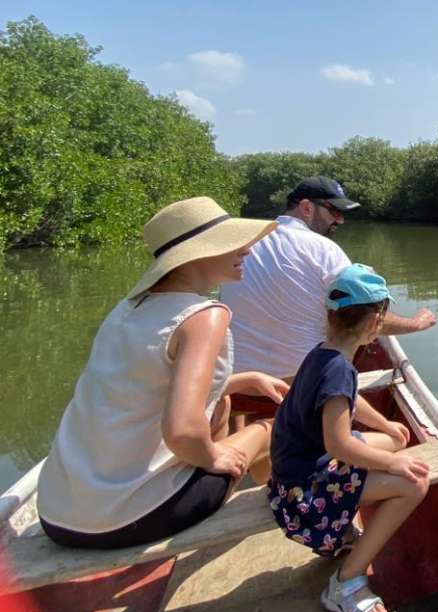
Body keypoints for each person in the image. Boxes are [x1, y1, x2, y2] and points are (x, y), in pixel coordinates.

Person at [36, 197, 288, 549]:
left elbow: (140, 387)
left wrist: (243, 380)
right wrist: (215, 458)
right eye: (232, 242)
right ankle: (275, 517)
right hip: (126, 519)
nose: (246, 250)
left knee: (224, 404)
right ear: (195, 255)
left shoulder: (127, 308)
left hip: (56, 515)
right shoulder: (205, 316)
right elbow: (183, 431)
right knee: (274, 427)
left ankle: (234, 482)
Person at [268, 264, 430, 612]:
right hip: (303, 493)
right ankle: (345, 583)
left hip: (294, 471)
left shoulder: (322, 354)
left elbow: (347, 402)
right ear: (376, 324)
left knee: (396, 441)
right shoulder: (339, 370)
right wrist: (393, 464)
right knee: (414, 483)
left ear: (331, 315)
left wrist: (387, 425)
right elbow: (339, 444)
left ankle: (341, 533)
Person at [220, 176, 435, 431]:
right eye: (334, 211)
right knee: (353, 329)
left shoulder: (243, 243)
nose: (340, 220)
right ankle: (275, 433)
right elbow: (366, 316)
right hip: (298, 385)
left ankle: (247, 432)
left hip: (238, 383)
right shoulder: (323, 249)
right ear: (307, 208)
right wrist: (416, 324)